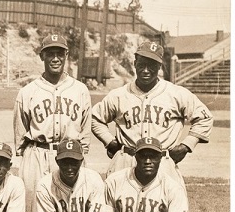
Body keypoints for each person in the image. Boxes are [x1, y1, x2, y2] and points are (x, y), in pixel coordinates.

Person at [91, 40, 213, 188]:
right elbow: (94, 117)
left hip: (162, 162)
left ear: (159, 67)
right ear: (135, 64)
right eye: (142, 64)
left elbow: (205, 118)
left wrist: (186, 145)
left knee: (165, 208)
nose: (146, 70)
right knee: (119, 208)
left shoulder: (176, 93)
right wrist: (109, 141)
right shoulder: (119, 95)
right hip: (127, 161)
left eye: (152, 65)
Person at [13, 33, 91, 212]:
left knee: (72, 207)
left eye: (59, 53)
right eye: (50, 54)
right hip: (37, 153)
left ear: (66, 56)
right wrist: (27, 157)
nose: (55, 58)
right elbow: (20, 134)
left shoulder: (80, 90)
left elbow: (85, 132)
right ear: (42, 56)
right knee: (32, 211)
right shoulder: (28, 91)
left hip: (69, 155)